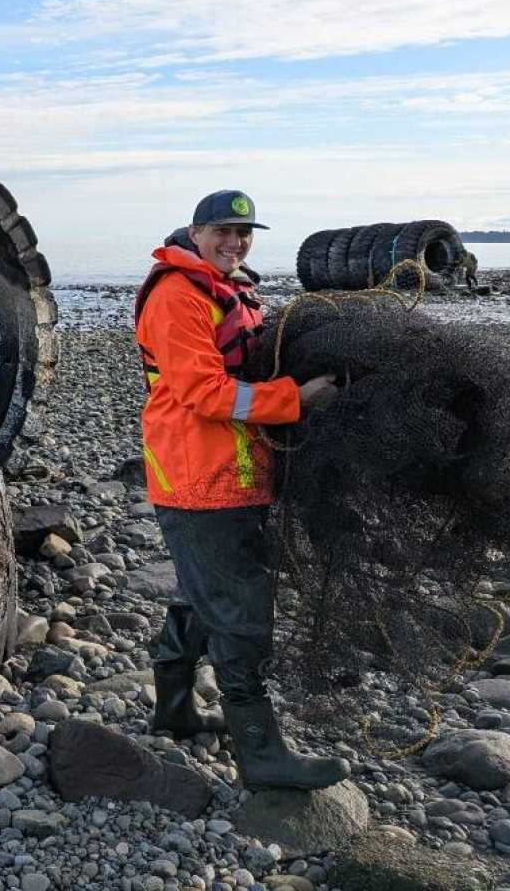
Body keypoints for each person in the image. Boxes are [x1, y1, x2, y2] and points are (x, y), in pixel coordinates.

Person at [134, 189, 350, 791]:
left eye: (244, 234)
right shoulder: (178, 296)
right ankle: (261, 754)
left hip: (234, 470)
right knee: (243, 613)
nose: (234, 243)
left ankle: (173, 708)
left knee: (203, 591)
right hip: (198, 475)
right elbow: (207, 392)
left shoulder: (228, 287)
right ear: (195, 232)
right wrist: (296, 399)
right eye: (222, 233)